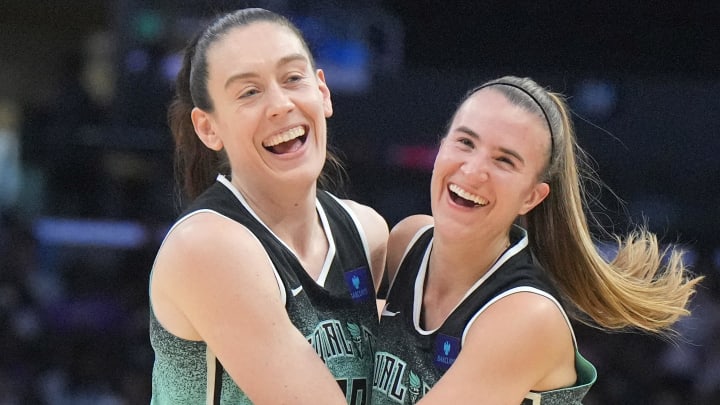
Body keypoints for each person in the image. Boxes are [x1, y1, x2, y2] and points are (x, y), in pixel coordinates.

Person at [372, 76, 702, 404]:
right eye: (465, 143)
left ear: (532, 196)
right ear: (442, 147)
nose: (473, 171)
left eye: (504, 160)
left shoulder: (528, 317)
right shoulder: (408, 243)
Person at [148, 8, 388, 404]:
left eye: (293, 78)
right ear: (208, 128)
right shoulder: (206, 246)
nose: (280, 104)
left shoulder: (368, 235)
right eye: (249, 92)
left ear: (322, 92)